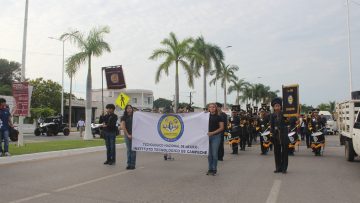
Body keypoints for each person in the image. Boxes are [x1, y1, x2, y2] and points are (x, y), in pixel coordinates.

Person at [270, 97, 289, 174]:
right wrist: (271, 135)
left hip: (283, 135)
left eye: (278, 106)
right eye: (275, 106)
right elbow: (271, 126)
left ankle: (284, 168)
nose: (277, 107)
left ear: (280, 106)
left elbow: (288, 122)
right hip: (276, 136)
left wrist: (296, 120)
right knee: (277, 152)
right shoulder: (272, 115)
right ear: (273, 107)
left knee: (284, 152)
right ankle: (278, 168)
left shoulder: (285, 114)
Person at [207, 103, 224, 176]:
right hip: (207, 137)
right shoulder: (205, 116)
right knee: (209, 155)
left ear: (216, 108)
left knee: (214, 154)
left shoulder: (219, 117)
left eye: (213, 107)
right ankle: (210, 169)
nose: (212, 108)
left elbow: (221, 128)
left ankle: (214, 169)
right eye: (210, 107)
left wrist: (213, 133)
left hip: (216, 137)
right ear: (208, 108)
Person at [121, 105, 136, 170]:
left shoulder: (135, 117)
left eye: (130, 108)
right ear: (126, 109)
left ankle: (133, 164)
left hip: (134, 135)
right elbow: (123, 126)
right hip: (127, 135)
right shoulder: (123, 117)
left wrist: (133, 134)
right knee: (129, 150)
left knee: (133, 150)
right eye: (128, 108)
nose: (129, 109)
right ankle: (128, 164)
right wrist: (128, 135)